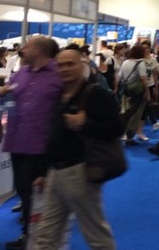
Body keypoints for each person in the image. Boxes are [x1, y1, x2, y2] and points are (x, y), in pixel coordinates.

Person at [32, 48, 123, 250]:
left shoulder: (95, 94)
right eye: (60, 65)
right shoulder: (59, 95)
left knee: (96, 237)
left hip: (81, 172)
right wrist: (43, 171)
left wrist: (85, 124)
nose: (64, 69)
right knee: (45, 236)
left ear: (81, 66)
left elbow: (117, 128)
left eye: (70, 64)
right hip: (55, 172)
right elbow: (53, 136)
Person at [0, 36, 62, 250]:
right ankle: (29, 235)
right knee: (24, 192)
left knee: (42, 196)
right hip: (18, 142)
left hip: (43, 146)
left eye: (28, 45)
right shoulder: (21, 73)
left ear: (38, 50)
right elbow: (10, 100)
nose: (23, 48)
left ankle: (42, 238)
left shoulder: (58, 75)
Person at [116, 44, 149, 146]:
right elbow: (143, 79)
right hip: (137, 92)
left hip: (126, 91)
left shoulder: (125, 62)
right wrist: (147, 92)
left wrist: (116, 89)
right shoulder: (141, 63)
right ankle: (129, 136)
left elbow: (119, 77)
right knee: (135, 114)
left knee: (125, 112)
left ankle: (122, 133)